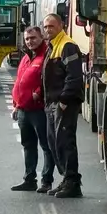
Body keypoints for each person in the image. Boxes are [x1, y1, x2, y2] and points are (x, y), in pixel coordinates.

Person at [42, 13, 85, 198]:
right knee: (55, 143)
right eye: (45, 27)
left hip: (63, 104)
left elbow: (74, 76)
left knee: (65, 142)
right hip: (52, 103)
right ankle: (66, 179)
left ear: (61, 26)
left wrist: (64, 101)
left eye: (51, 26)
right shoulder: (52, 46)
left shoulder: (67, 45)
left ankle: (72, 183)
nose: (47, 30)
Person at [11, 26, 55, 193]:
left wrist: (38, 93)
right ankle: (29, 179)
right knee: (28, 145)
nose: (30, 41)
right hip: (23, 110)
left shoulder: (46, 56)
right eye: (27, 39)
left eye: (33, 38)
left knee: (46, 145)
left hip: (39, 110)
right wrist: (16, 105)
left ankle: (46, 181)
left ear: (41, 37)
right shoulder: (26, 58)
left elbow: (50, 80)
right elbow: (19, 82)